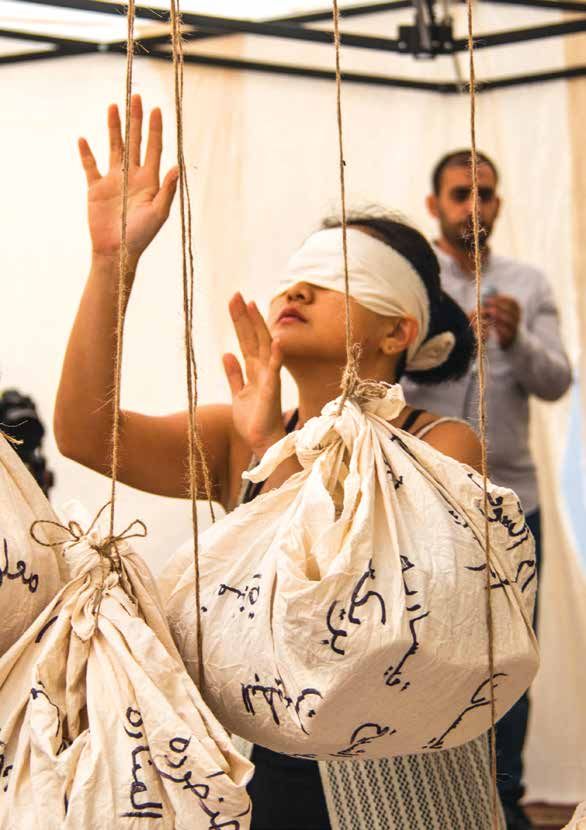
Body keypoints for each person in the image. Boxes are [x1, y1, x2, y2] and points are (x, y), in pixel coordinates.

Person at [55, 96, 505, 829]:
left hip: (409, 774)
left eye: (338, 276)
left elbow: (347, 613)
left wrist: (271, 451)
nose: (296, 288)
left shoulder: (442, 446)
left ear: (398, 330)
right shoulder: (233, 434)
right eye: (298, 272)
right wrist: (114, 262)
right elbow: (85, 433)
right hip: (273, 764)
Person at [402, 149, 573, 830]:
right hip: (428, 503)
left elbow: (557, 381)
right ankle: (436, 801)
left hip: (515, 505)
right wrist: (457, 346)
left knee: (512, 656)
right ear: (434, 205)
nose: (475, 207)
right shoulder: (415, 285)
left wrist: (518, 338)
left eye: (487, 194)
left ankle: (504, 801)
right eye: (460, 194)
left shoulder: (526, 284)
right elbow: (389, 385)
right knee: (430, 650)